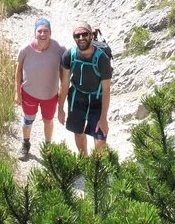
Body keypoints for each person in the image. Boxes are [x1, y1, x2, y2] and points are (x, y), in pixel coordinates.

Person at [59, 21, 112, 156]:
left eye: (84, 34)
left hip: (97, 100)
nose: (81, 38)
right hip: (77, 98)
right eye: (77, 35)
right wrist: (60, 109)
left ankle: (97, 168)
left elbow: (106, 90)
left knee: (100, 139)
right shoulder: (68, 55)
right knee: (78, 132)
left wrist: (103, 118)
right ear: (74, 38)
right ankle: (85, 160)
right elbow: (64, 84)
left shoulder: (102, 59)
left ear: (91, 36)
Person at [15, 18, 64, 157]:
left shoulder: (59, 49)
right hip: (29, 93)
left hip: (50, 95)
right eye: (40, 31)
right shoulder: (25, 49)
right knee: (28, 120)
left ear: (50, 32)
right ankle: (25, 144)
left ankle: (48, 148)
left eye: (46, 31)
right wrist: (16, 92)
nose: (43, 34)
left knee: (48, 121)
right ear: (34, 33)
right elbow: (17, 71)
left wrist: (63, 91)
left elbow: (64, 72)